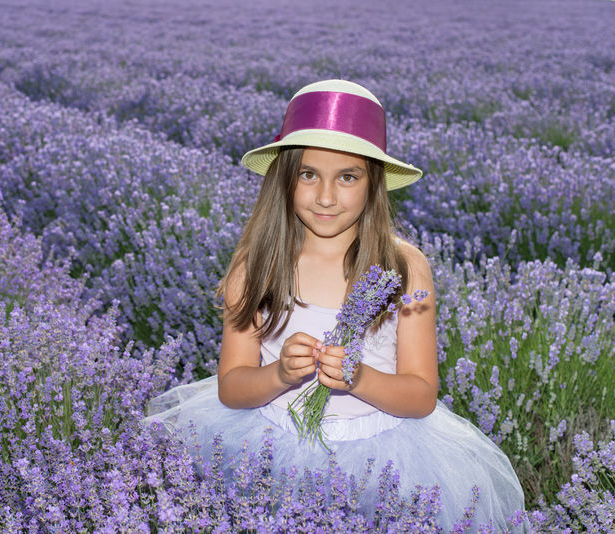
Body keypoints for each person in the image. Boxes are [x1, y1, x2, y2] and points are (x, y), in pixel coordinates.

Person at [145, 79, 525, 530]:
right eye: (309, 174)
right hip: (272, 445)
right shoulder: (257, 264)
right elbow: (232, 387)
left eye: (348, 176)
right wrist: (280, 373)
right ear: (285, 179)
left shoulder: (406, 269)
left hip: (382, 455)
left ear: (373, 184)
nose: (326, 196)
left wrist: (358, 376)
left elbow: (421, 395)